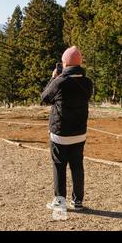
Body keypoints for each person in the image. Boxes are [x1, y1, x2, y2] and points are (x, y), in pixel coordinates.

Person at [41, 46, 93, 211]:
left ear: (64, 64)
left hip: (60, 133)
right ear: (80, 63)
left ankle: (60, 201)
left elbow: (44, 98)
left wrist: (54, 78)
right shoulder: (87, 82)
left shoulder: (60, 82)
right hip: (79, 133)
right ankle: (77, 202)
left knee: (59, 165)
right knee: (77, 166)